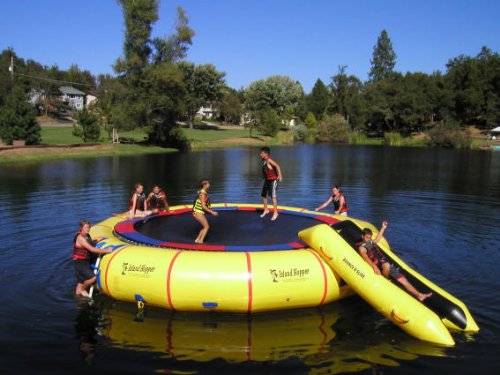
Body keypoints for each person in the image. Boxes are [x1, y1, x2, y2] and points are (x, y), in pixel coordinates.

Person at [358, 221, 432, 302]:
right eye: (367, 237)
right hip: (379, 266)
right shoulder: (362, 247)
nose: (369, 239)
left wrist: (383, 228)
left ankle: (419, 295)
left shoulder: (371, 242)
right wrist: (374, 266)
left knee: (403, 280)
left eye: (370, 237)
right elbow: (366, 258)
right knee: (386, 265)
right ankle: (385, 282)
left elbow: (378, 238)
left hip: (386, 265)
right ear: (362, 236)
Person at [72, 219, 113, 298]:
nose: (87, 229)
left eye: (88, 227)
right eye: (85, 227)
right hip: (79, 262)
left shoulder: (87, 236)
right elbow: (91, 249)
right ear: (81, 228)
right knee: (93, 278)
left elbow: (90, 242)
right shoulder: (80, 238)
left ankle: (78, 299)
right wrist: (106, 250)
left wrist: (98, 240)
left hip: (85, 262)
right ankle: (83, 289)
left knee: (80, 282)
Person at [260, 146, 283, 221]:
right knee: (263, 195)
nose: (260, 154)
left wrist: (280, 175)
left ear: (266, 153)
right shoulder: (264, 160)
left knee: (273, 196)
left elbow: (277, 166)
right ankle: (266, 210)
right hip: (267, 181)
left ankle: (275, 213)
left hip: (273, 181)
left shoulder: (269, 160)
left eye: (262, 153)